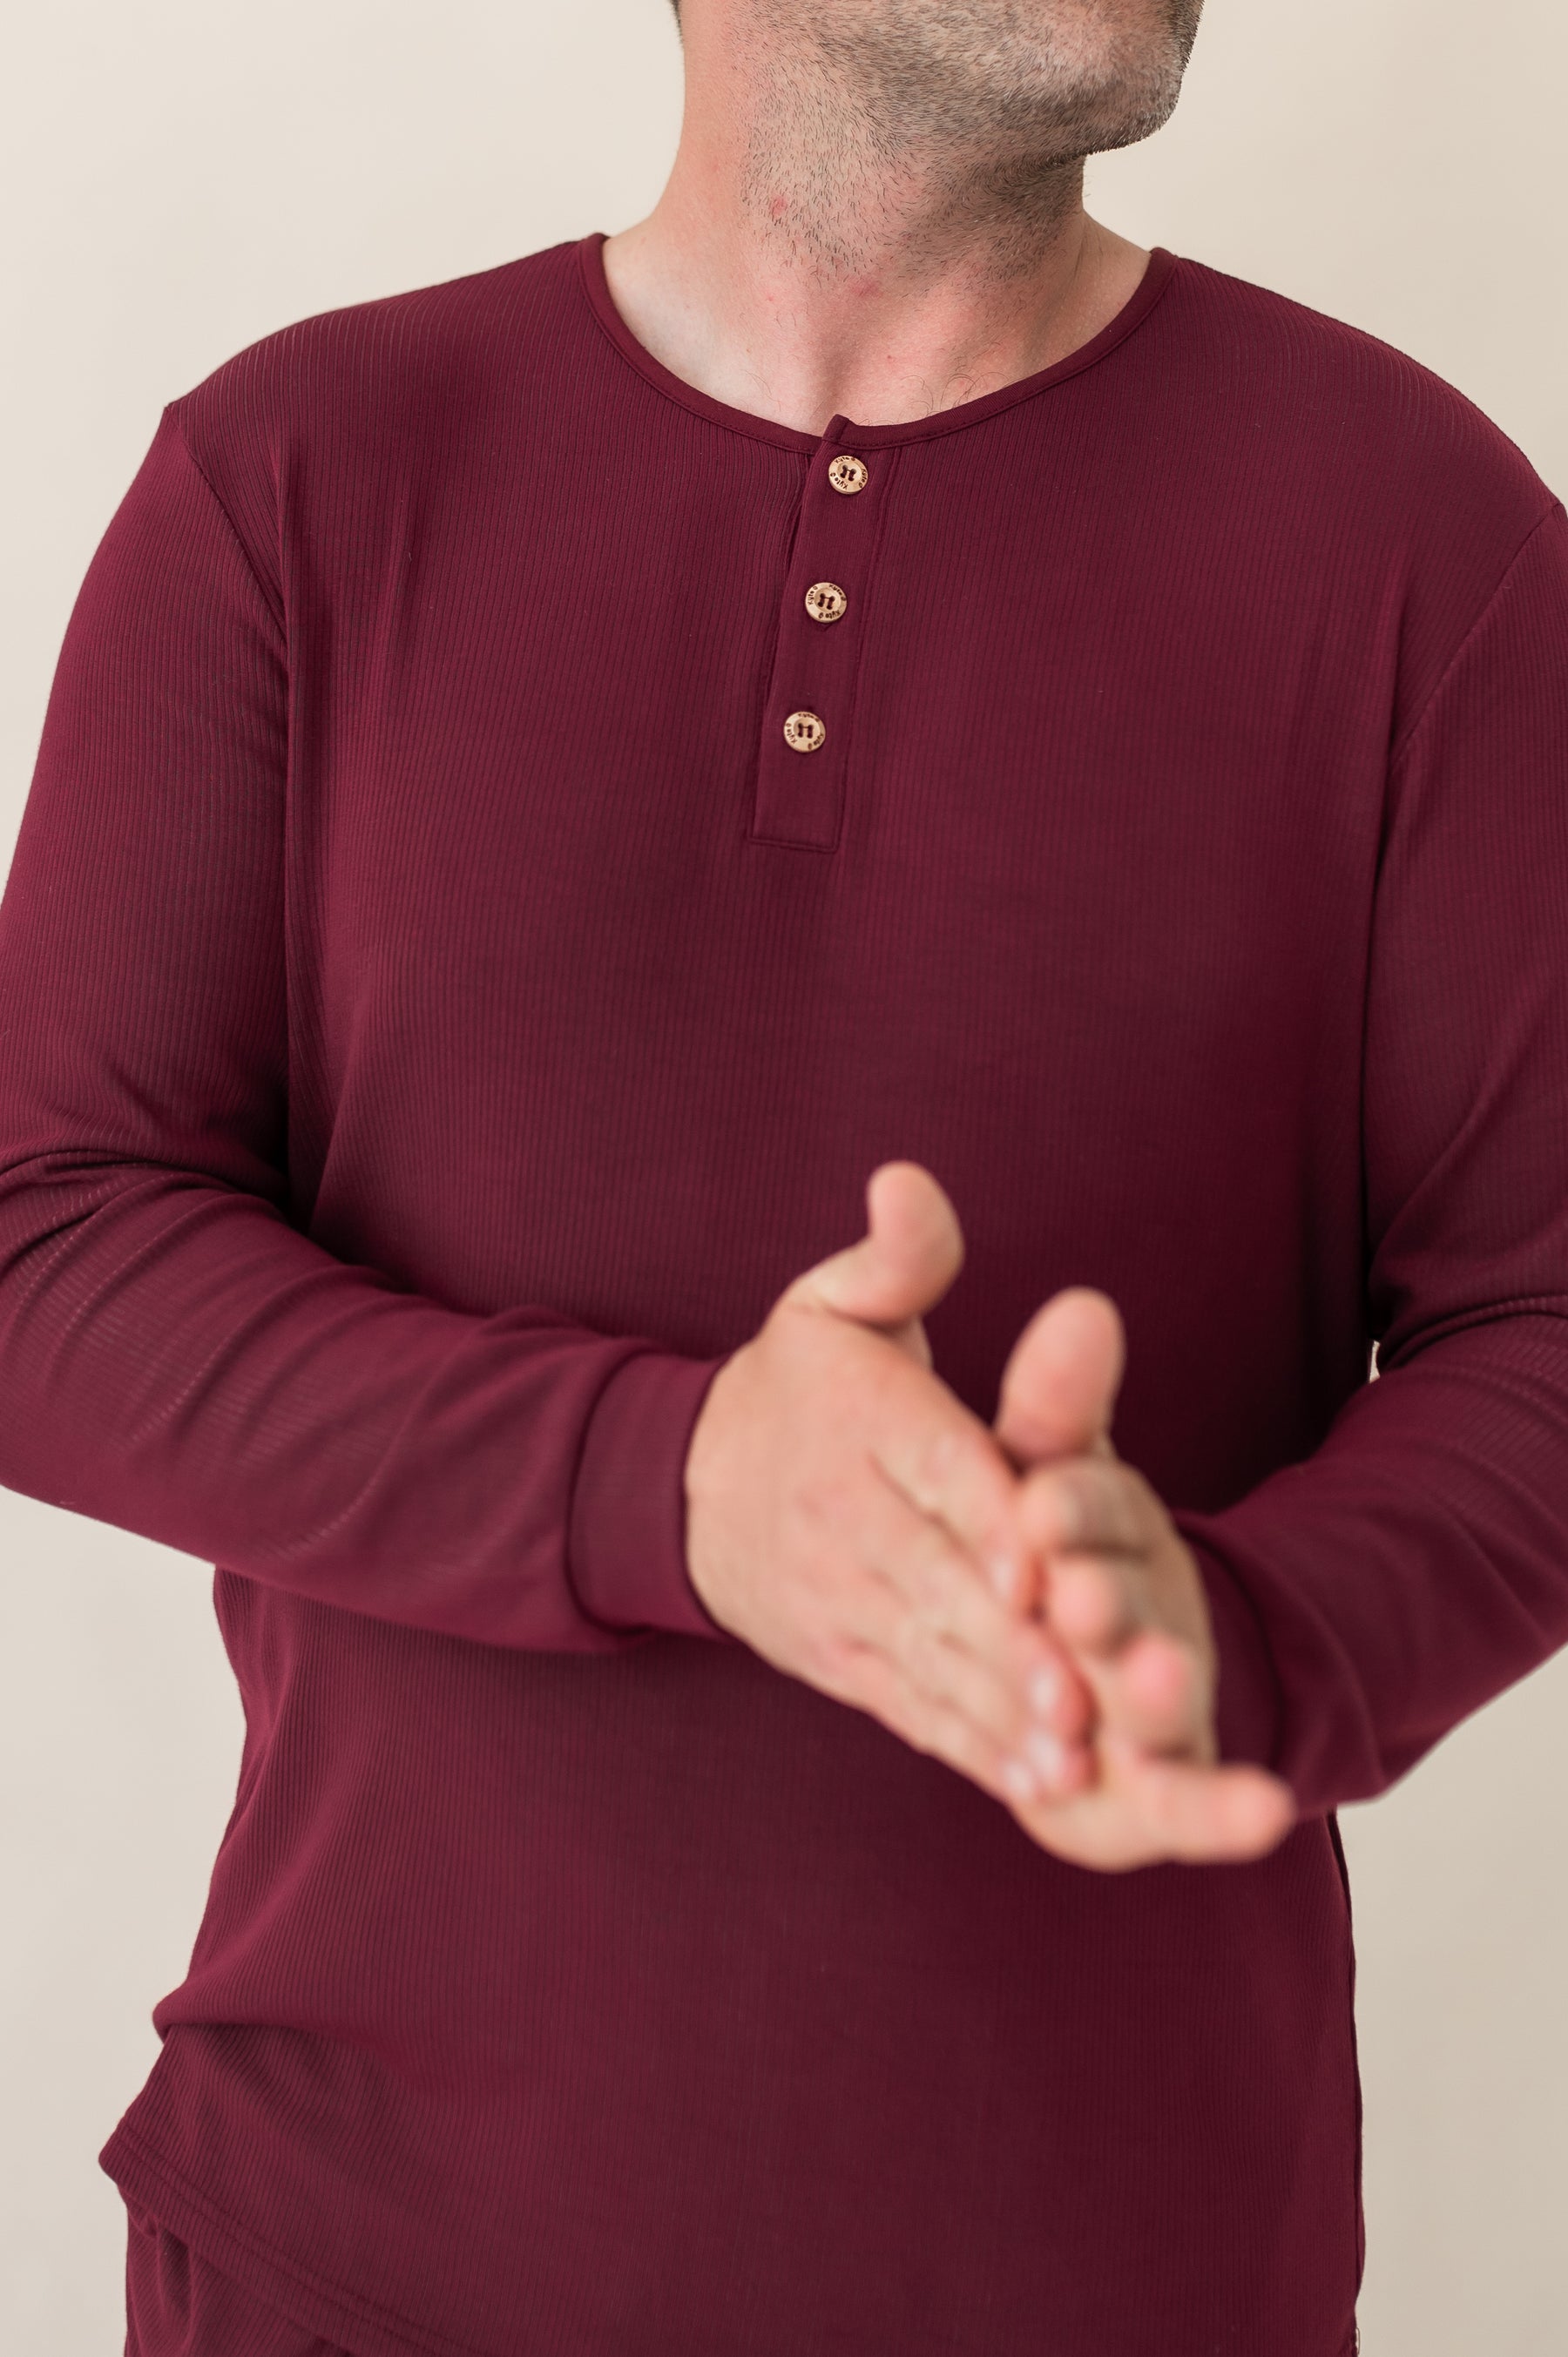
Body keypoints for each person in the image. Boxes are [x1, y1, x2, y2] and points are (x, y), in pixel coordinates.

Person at [1, 0, 1564, 2349]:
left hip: (1126, 2290)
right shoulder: (304, 477)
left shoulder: (1427, 540)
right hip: (352, 2264)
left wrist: (1244, 1639)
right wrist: (676, 1482)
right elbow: (47, 1238)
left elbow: (1543, 1323)